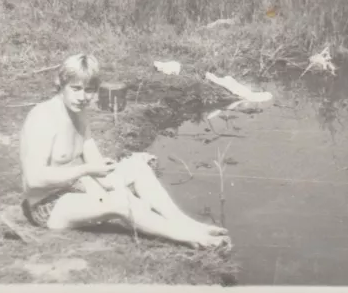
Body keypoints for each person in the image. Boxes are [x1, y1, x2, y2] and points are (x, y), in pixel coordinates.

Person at [18, 53, 230, 249]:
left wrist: (111, 176)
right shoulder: (43, 119)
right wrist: (87, 172)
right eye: (75, 89)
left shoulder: (79, 113)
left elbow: (97, 165)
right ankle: (190, 237)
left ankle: (189, 225)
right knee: (121, 202)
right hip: (49, 205)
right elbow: (34, 180)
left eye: (89, 90)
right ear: (60, 84)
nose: (83, 97)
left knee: (138, 168)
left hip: (74, 187)